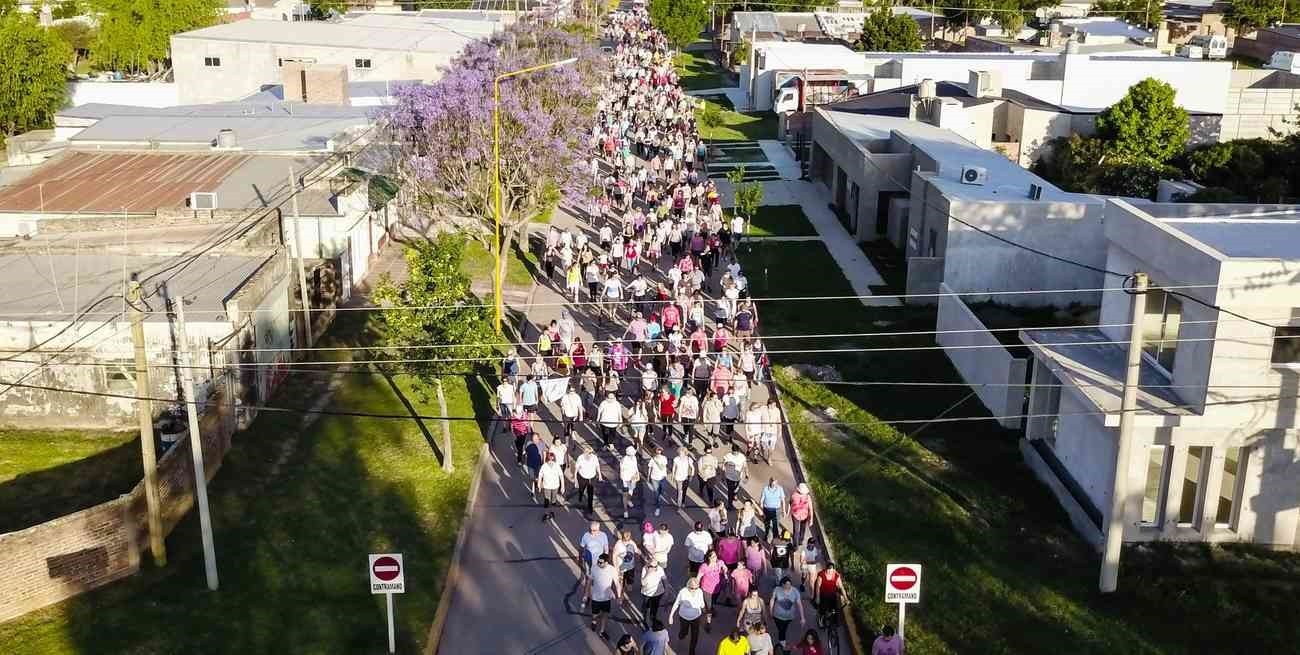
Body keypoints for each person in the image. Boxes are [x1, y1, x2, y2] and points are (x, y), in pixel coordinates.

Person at [583, 553, 623, 642]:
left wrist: (619, 596)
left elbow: (617, 584)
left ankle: (602, 631)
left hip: (606, 598)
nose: (599, 564)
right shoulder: (594, 568)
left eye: (601, 562)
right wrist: (586, 594)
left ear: (606, 562)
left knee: (605, 614)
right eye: (598, 562)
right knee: (595, 614)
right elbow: (589, 582)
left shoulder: (612, 570)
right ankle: (594, 621)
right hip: (595, 597)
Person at [668, 577, 706, 655]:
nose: (694, 590)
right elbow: (676, 603)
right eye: (692, 588)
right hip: (684, 617)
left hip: (696, 617)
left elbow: (702, 604)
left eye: (696, 588)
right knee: (684, 632)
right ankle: (682, 635)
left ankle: (691, 652)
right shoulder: (683, 592)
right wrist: (671, 616)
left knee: (695, 636)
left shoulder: (699, 592)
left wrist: (703, 608)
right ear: (688, 586)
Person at [769, 576, 805, 650]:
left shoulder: (795, 591)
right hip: (777, 616)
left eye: (790, 584)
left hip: (789, 617)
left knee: (783, 629)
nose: (789, 586)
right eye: (787, 584)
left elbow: (799, 604)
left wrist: (802, 617)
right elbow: (772, 600)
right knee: (781, 630)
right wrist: (770, 611)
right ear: (782, 584)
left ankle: (782, 642)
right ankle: (782, 645)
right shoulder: (777, 589)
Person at [695, 550, 726, 628]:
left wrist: (725, 572)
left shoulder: (720, 562)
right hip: (707, 589)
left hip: (717, 588)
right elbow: (698, 577)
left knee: (713, 602)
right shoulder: (704, 566)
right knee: (709, 607)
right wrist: (695, 587)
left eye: (715, 556)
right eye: (712, 557)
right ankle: (708, 623)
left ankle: (710, 608)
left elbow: (725, 568)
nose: (714, 558)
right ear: (708, 557)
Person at [640, 556, 668, 627]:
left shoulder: (660, 569)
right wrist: (648, 573)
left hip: (658, 593)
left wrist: (666, 591)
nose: (655, 568)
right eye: (653, 566)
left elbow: (664, 580)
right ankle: (645, 620)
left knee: (654, 607)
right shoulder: (645, 569)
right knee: (646, 607)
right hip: (647, 593)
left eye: (656, 566)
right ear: (649, 565)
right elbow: (643, 583)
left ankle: (653, 619)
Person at [575, 445, 602, 516]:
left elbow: (597, 466)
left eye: (590, 452)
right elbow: (576, 469)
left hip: (592, 478)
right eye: (588, 452)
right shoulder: (580, 458)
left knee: (591, 494)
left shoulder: (594, 458)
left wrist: (600, 475)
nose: (589, 454)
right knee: (581, 489)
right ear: (584, 452)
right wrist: (575, 480)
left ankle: (590, 507)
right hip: (582, 477)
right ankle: (580, 495)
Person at [537, 452, 564, 521]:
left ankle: (552, 512)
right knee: (546, 500)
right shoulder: (544, 466)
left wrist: (562, 486)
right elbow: (540, 475)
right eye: (549, 459)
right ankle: (546, 513)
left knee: (553, 500)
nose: (551, 461)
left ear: (554, 459)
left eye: (552, 459)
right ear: (547, 459)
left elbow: (561, 476)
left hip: (555, 486)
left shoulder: (557, 465)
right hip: (547, 486)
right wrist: (539, 485)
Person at [647, 446, 670, 515]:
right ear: (655, 453)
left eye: (660, 452)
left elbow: (663, 467)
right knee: (656, 493)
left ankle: (658, 498)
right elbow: (650, 468)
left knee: (662, 490)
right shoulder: (652, 459)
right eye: (657, 452)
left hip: (662, 478)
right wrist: (648, 476)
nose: (659, 454)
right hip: (654, 478)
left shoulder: (664, 458)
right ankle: (658, 508)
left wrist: (658, 462)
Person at [619, 446, 640, 519]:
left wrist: (637, 474)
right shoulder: (624, 460)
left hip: (633, 478)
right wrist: (625, 479)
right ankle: (625, 511)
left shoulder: (634, 458)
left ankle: (629, 500)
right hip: (626, 480)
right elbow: (621, 472)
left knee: (631, 491)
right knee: (625, 494)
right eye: (632, 453)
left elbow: (635, 467)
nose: (634, 454)